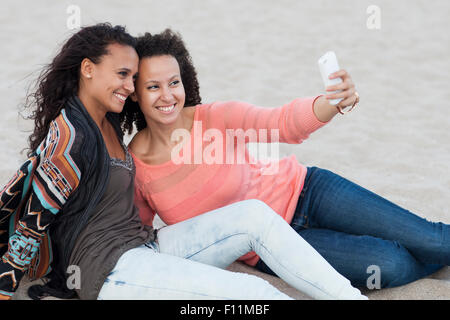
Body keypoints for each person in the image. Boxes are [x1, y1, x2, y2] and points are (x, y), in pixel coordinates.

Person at [0, 23, 366, 300]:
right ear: (88, 69)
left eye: (133, 77)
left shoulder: (107, 123)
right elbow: (30, 221)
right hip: (110, 271)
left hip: (147, 246)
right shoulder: (68, 138)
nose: (129, 86)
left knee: (253, 215)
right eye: (122, 74)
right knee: (254, 294)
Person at [122, 29, 449, 291]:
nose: (168, 96)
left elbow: (281, 122)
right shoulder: (136, 167)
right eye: (153, 86)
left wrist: (331, 103)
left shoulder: (214, 117)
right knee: (390, 263)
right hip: (273, 246)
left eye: (174, 82)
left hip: (311, 192)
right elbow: (143, 235)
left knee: (431, 238)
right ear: (134, 92)